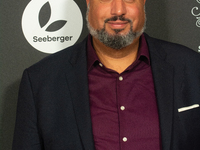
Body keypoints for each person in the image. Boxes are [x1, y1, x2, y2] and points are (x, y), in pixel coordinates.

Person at [13, 0, 200, 149]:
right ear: (88, 3)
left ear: (143, 2)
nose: (118, 10)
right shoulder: (40, 82)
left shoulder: (192, 68)